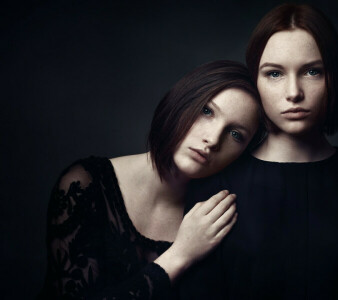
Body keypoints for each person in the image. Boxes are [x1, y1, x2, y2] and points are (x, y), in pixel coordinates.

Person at [179, 4, 338, 299]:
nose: (293, 92)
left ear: (333, 77)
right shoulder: (214, 188)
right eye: (274, 73)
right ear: (255, 82)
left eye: (312, 71)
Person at [38, 60, 264, 299]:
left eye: (235, 134)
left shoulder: (225, 215)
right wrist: (181, 254)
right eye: (206, 111)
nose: (213, 139)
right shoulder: (84, 184)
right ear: (181, 103)